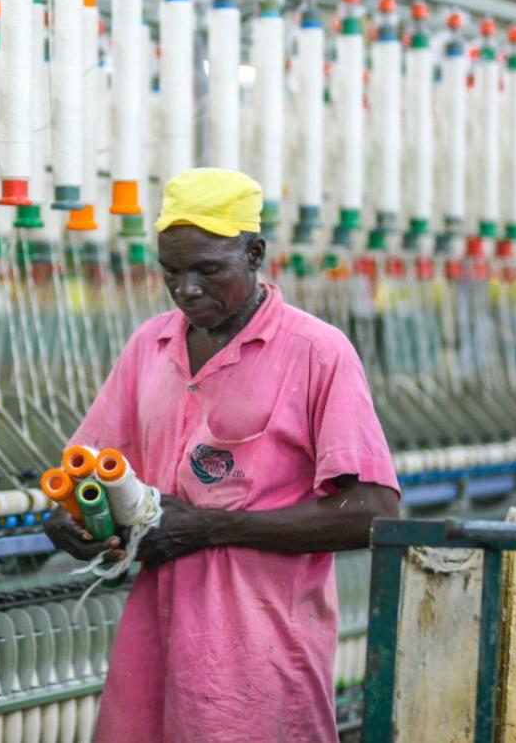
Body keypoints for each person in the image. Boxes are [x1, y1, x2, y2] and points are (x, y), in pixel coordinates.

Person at [44, 168, 401, 742]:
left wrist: (208, 527)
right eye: (171, 271)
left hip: (260, 655)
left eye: (207, 270)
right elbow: (86, 467)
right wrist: (74, 519)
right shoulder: (151, 346)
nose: (186, 289)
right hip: (154, 644)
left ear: (254, 253)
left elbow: (375, 512)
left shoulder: (317, 353)